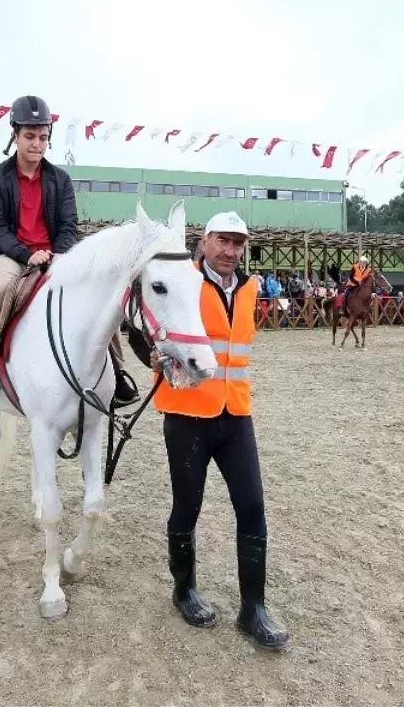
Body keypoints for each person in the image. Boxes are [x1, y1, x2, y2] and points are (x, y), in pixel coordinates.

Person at [151, 211, 289, 651]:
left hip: (236, 415)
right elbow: (151, 327)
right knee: (187, 508)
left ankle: (254, 609)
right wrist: (151, 356)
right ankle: (184, 590)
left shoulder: (249, 289)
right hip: (188, 415)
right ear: (205, 240)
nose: (231, 251)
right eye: (223, 241)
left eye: (238, 243)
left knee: (252, 507)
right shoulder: (183, 279)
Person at [0, 94, 138, 406]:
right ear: (15, 136)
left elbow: (69, 225)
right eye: (29, 136)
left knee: (94, 295)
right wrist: (27, 254)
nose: (36, 144)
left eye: (42, 137)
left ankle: (116, 370)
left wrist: (60, 255)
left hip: (56, 255)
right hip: (11, 255)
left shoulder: (60, 179)